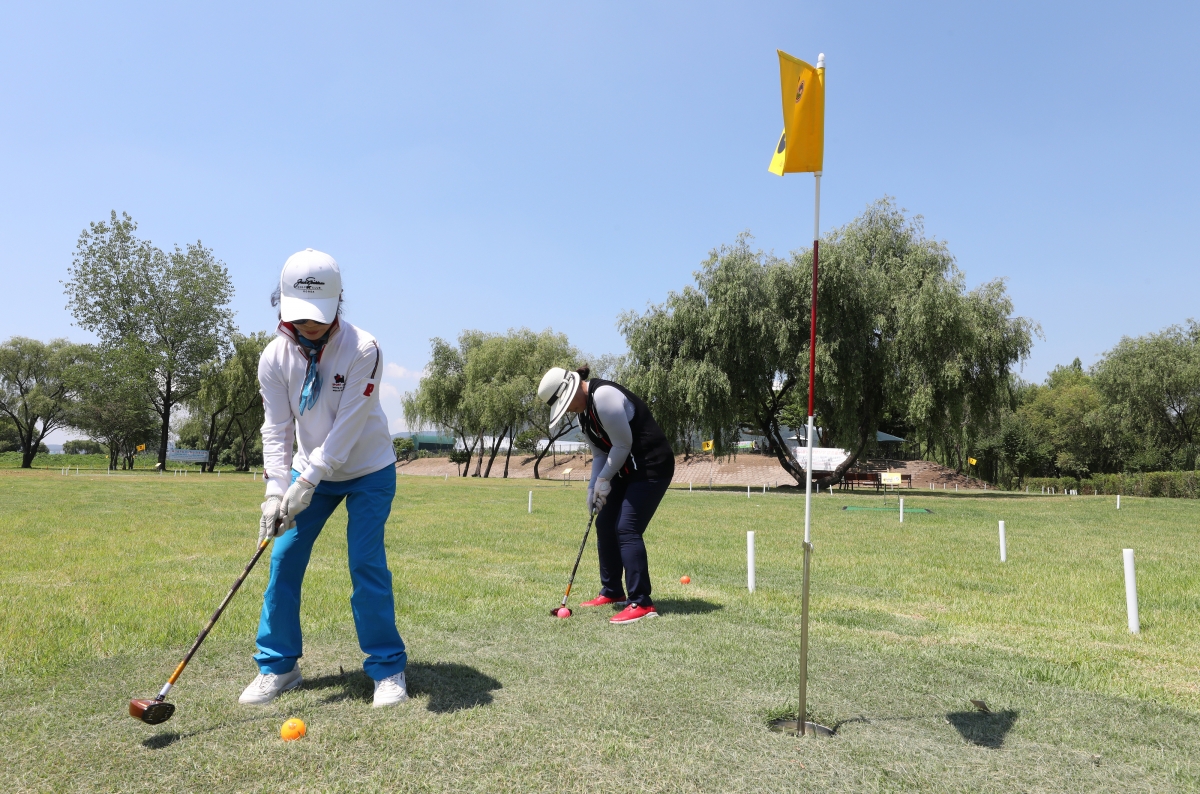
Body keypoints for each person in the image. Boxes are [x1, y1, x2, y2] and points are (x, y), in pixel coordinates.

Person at [239, 248, 408, 708]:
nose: (309, 325)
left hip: (369, 469)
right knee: (283, 561)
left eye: (318, 315)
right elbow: (276, 429)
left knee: (365, 563)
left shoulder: (364, 349)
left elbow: (348, 427)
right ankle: (279, 666)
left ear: (338, 303)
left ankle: (388, 668)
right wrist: (275, 492)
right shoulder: (274, 358)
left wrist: (307, 480)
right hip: (305, 472)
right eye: (298, 316)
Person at [536, 366, 675, 624]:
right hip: (625, 468)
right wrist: (592, 488)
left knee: (627, 527)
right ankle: (612, 591)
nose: (566, 410)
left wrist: (604, 480)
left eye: (566, 403)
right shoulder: (583, 415)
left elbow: (623, 445)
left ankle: (642, 602)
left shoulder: (604, 397)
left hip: (651, 466)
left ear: (574, 388)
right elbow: (601, 454)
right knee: (605, 523)